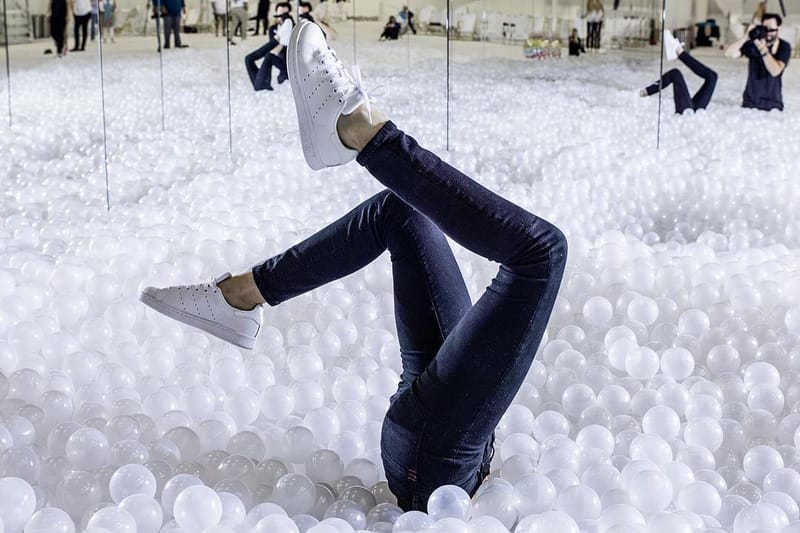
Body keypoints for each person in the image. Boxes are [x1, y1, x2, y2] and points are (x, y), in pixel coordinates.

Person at [140, 19, 567, 511]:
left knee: (542, 254)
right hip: (436, 440)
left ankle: (363, 132)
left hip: (435, 468)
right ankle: (239, 296)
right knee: (405, 213)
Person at [640, 30, 718, 114]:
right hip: (694, 113)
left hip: (686, 115)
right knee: (712, 76)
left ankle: (646, 91)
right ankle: (680, 52)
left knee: (675, 74)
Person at [725, 12, 791, 111]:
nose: (768, 33)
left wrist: (763, 49)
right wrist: (745, 37)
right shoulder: (754, 45)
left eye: (771, 30)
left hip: (772, 105)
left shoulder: (783, 46)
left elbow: (775, 71)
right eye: (765, 29)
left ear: (779, 28)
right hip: (750, 103)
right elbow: (729, 53)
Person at [243, 2, 293, 90]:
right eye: (280, 14)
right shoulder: (273, 28)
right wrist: (278, 37)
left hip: (289, 63)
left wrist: (284, 32)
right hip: (277, 55)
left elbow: (276, 50)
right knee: (248, 59)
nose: (282, 17)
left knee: (269, 56)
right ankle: (261, 84)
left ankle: (261, 84)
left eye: (285, 15)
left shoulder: (292, 26)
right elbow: (273, 49)